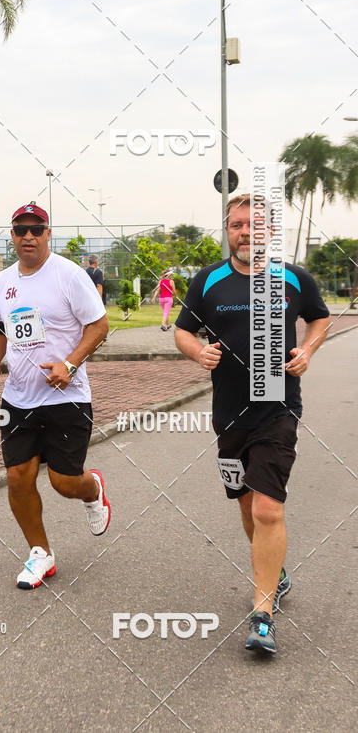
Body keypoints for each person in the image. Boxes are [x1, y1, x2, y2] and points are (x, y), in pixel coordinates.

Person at [174, 194, 330, 655]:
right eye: (237, 224)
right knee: (245, 506)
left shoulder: (293, 278)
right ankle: (275, 571)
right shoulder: (210, 280)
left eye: (254, 225)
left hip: (278, 410)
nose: (245, 232)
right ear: (228, 230)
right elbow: (184, 329)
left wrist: (307, 350)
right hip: (229, 415)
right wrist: (196, 351)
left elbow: (319, 318)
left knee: (266, 508)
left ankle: (262, 614)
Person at [0, 201, 110, 589]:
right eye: (21, 230)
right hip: (18, 398)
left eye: (37, 229)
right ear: (13, 236)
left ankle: (93, 489)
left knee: (63, 482)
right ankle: (41, 553)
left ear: (48, 233)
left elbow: (99, 326)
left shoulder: (69, 275)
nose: (29, 236)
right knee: (18, 477)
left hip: (66, 397)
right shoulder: (2, 281)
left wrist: (69, 364)